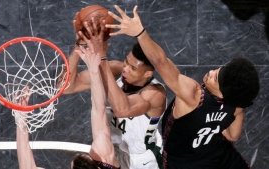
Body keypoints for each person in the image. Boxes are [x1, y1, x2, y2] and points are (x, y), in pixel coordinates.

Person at [105, 5, 260, 169]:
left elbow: (161, 62)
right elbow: (232, 135)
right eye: (217, 70)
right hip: (222, 160)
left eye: (216, 78)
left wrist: (140, 33)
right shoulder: (236, 106)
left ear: (223, 92)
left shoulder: (193, 95)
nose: (212, 72)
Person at [57, 16, 167, 168]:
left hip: (140, 159)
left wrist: (101, 60)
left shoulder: (155, 94)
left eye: (133, 68)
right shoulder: (115, 69)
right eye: (127, 61)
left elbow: (122, 110)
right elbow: (66, 87)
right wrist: (79, 47)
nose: (126, 68)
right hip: (111, 151)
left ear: (147, 74)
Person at [14, 41, 121, 169]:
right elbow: (99, 110)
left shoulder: (102, 156)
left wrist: (21, 118)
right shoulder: (104, 156)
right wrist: (93, 69)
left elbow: (27, 167)